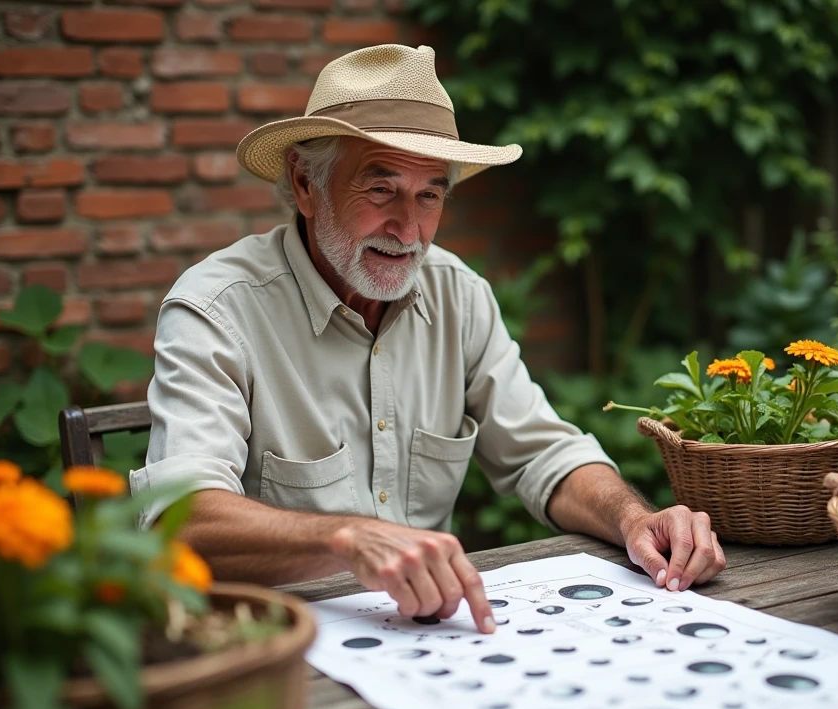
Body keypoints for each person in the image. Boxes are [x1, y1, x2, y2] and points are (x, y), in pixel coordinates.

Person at [131, 44, 726, 635]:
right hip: (266, 647)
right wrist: (347, 539)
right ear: (306, 185)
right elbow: (181, 519)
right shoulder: (217, 308)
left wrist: (633, 517)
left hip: (425, 643)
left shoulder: (458, 295)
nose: (408, 229)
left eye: (430, 195)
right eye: (380, 189)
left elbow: (542, 453)